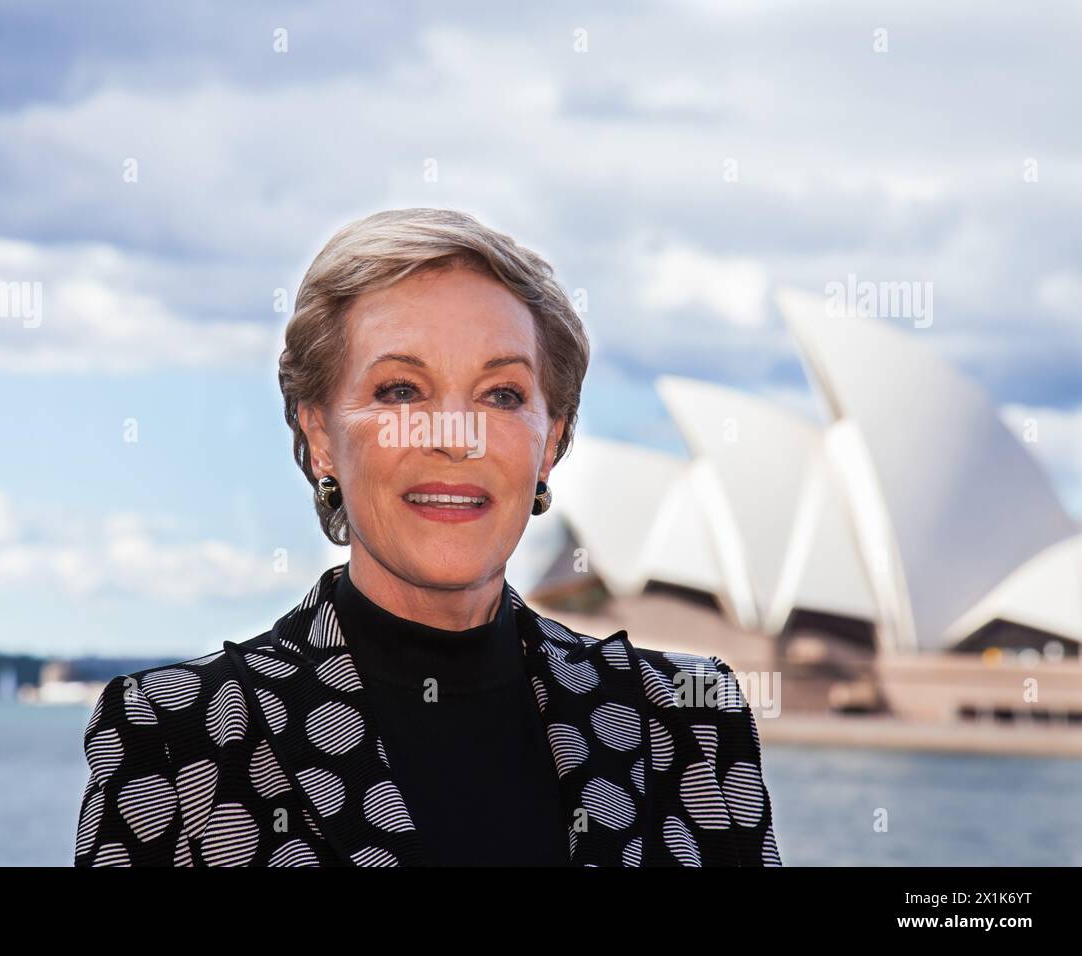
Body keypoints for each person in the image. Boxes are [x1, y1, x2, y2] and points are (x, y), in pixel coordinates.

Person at [74, 207, 781, 867]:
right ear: (320, 434)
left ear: (550, 440)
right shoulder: (176, 737)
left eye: (500, 396)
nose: (454, 439)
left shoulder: (688, 718)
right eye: (400, 391)